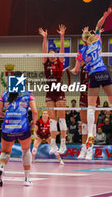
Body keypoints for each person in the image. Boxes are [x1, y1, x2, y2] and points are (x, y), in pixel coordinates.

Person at [70, 7, 112, 154]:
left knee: (91, 108)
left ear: (83, 40)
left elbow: (77, 69)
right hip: (104, 72)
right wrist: (106, 15)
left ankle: (90, 135)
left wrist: (69, 71)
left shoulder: (81, 52)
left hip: (94, 76)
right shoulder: (97, 41)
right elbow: (98, 26)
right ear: (91, 36)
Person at [0, 71, 38, 187]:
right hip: (23, 127)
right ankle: (27, 179)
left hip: (8, 128)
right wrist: (33, 123)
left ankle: (1, 168)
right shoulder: (28, 94)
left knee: (5, 152)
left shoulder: (4, 94)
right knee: (26, 151)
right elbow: (34, 112)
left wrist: (8, 116)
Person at [39, 24, 67, 154]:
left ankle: (63, 144)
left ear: (55, 55)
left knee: (61, 119)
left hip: (59, 91)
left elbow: (62, 49)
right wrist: (45, 38)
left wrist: (62, 36)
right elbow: (44, 52)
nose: (50, 55)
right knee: (52, 121)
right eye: (49, 54)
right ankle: (53, 145)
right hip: (49, 93)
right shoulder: (46, 63)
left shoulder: (60, 61)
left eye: (52, 53)